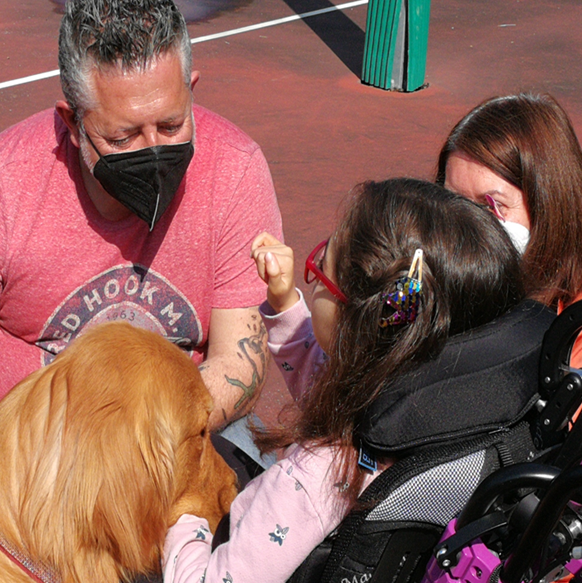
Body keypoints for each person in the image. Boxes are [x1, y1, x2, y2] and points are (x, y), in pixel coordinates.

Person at [0, 0, 282, 485]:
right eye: (121, 138)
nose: (153, 150)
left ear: (191, 90)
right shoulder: (0, 183)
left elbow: (238, 360)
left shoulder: (236, 170)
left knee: (277, 528)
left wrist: (133, 452)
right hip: (11, 446)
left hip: (174, 432)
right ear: (73, 124)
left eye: (170, 125)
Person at [162, 178, 525, 582]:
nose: (312, 276)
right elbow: (328, 386)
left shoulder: (312, 480)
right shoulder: (423, 410)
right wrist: (284, 304)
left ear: (357, 323)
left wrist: (184, 520)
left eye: (321, 268)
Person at [435, 92, 582, 450]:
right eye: (453, 203)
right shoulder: (438, 273)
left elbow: (571, 455)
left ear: (548, 205)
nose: (467, 225)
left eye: (492, 206)